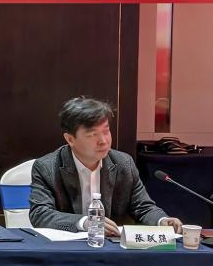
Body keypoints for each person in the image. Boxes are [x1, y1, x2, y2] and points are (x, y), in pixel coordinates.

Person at [30, 97, 182, 234]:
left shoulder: (123, 163)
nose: (103, 141)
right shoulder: (47, 167)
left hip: (110, 248)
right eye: (92, 135)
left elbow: (143, 207)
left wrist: (161, 221)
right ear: (70, 139)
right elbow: (40, 214)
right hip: (67, 249)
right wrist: (85, 222)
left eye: (106, 131)